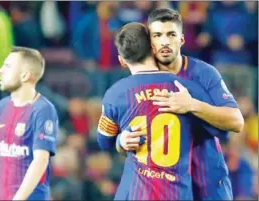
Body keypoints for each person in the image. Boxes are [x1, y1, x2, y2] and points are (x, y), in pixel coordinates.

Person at [118, 8, 244, 200]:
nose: (165, 41)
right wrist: (122, 140)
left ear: (182, 40)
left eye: (171, 34)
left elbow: (236, 122)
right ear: (149, 42)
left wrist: (192, 105)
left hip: (208, 186)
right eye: (158, 35)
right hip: (161, 190)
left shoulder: (204, 74)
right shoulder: (139, 79)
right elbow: (119, 138)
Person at [97, 22, 224, 200]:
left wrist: (121, 140)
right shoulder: (187, 88)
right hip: (177, 193)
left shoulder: (115, 94)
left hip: (135, 194)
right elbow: (220, 130)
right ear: (153, 48)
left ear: (122, 61)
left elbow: (104, 142)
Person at [0, 47, 59, 200]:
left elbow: (41, 160)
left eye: (8, 66)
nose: (1, 70)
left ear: (25, 75)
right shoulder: (2, 106)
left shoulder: (43, 109)